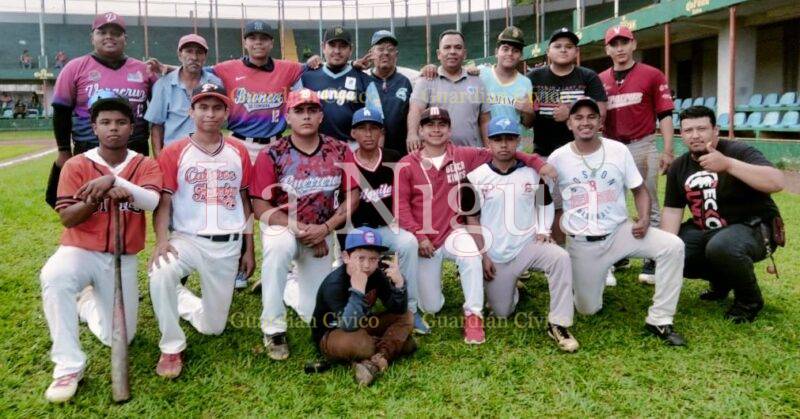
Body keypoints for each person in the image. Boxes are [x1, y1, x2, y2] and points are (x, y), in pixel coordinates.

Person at [39, 93, 162, 402]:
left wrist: (111, 181)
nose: (113, 129)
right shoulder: (78, 165)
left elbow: (151, 201)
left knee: (119, 337)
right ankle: (68, 366)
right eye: (105, 122)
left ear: (131, 127)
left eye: (121, 122)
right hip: (80, 250)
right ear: (93, 127)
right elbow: (68, 218)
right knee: (55, 276)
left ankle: (86, 304)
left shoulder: (144, 164)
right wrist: (95, 198)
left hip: (123, 256)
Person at [397, 106, 552, 344]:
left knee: (471, 253)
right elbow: (401, 207)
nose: (436, 130)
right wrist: (419, 237)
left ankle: (474, 315)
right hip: (424, 241)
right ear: (420, 130)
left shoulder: (464, 155)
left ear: (450, 130)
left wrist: (536, 162)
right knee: (432, 305)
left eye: (442, 125)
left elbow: (505, 152)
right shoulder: (407, 163)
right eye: (430, 125)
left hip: (453, 231)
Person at [547, 97, 687, 346]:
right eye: (578, 117)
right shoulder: (558, 157)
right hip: (583, 243)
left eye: (591, 117)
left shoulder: (618, 150)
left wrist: (644, 218)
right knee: (587, 309)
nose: (585, 122)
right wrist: (542, 228)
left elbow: (639, 189)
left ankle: (660, 319)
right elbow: (542, 194)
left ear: (600, 122)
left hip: (621, 233)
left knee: (673, 246)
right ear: (569, 124)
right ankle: (594, 278)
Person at [148, 83, 255, 379]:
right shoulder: (173, 152)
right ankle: (171, 345)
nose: (210, 113)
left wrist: (249, 248)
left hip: (227, 244)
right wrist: (160, 242)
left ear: (226, 112)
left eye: (217, 107)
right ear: (191, 111)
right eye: (203, 107)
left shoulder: (239, 151)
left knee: (213, 327)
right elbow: (163, 203)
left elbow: (245, 201)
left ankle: (180, 297)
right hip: (187, 239)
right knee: (161, 271)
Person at [250, 89, 360, 360]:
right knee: (277, 248)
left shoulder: (340, 149)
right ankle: (273, 329)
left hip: (320, 236)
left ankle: (284, 285)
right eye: (299, 110)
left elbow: (352, 196)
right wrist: (297, 228)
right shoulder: (272, 153)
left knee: (315, 313)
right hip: (284, 228)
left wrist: (326, 228)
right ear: (288, 117)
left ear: (321, 116)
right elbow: (259, 207)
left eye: (312, 110)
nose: (306, 115)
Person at [461, 115, 578, 352]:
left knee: (560, 257)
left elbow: (544, 205)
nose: (504, 145)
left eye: (510, 139)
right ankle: (512, 288)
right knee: (502, 312)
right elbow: (472, 219)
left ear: (519, 141)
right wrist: (483, 255)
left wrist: (544, 229)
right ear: (489, 143)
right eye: (497, 139)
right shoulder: (475, 178)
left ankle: (559, 323)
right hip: (496, 255)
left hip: (527, 246)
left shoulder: (532, 174)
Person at [661, 106, 785, 323]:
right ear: (682, 134)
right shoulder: (679, 166)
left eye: (702, 128)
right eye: (689, 130)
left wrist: (728, 165)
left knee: (723, 246)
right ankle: (722, 281)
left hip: (754, 228)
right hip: (707, 230)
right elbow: (672, 211)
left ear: (715, 130)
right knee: (677, 251)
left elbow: (776, 182)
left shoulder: (738, 151)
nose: (695, 135)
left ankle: (749, 301)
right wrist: (664, 247)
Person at [47, 12, 157, 208]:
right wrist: (64, 151)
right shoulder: (75, 68)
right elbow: (61, 112)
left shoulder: (143, 70)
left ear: (125, 38)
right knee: (88, 203)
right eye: (102, 32)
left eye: (116, 32)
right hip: (89, 147)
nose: (109, 36)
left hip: (135, 147)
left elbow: (158, 113)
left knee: (131, 207)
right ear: (92, 37)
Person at [600, 25, 676, 284]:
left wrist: (667, 149)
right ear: (607, 49)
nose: (620, 48)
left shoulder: (652, 74)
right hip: (611, 147)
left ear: (634, 44)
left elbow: (665, 113)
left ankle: (652, 257)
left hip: (643, 144)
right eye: (614, 44)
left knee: (649, 200)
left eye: (625, 42)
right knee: (611, 202)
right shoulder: (600, 79)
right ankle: (618, 253)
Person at [340, 107, 426, 334]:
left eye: (373, 128)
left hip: (387, 227)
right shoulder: (346, 163)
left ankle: (410, 309)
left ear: (381, 132)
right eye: (362, 129)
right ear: (353, 133)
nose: (368, 134)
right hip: (357, 232)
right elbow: (343, 207)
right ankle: (358, 304)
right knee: (346, 267)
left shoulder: (394, 157)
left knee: (408, 243)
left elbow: (409, 193)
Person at [527, 27, 608, 250]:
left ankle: (593, 251)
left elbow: (600, 112)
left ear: (576, 51)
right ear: (548, 51)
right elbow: (527, 120)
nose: (563, 50)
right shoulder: (534, 77)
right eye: (558, 46)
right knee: (546, 204)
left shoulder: (587, 76)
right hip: (544, 151)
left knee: (583, 201)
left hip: (580, 153)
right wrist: (526, 111)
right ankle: (556, 252)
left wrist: (570, 113)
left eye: (569, 46)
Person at [312, 227, 415, 386]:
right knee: (366, 345)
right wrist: (358, 290)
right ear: (346, 257)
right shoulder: (334, 284)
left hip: (364, 324)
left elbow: (398, 310)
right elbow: (348, 324)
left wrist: (399, 284)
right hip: (333, 333)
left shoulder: (376, 275)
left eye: (373, 259)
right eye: (361, 258)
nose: (367, 265)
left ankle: (372, 363)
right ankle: (389, 348)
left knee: (407, 316)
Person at [408, 30, 490, 150]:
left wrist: (489, 149)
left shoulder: (477, 82)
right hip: (436, 155)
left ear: (464, 53)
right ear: (438, 54)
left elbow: (485, 120)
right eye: (447, 47)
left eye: (458, 47)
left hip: (472, 155)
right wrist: (412, 134)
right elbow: (416, 110)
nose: (452, 51)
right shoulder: (426, 80)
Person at [145, 34, 222, 157]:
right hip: (174, 155)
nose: (194, 57)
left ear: (205, 57)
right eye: (189, 51)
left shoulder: (215, 83)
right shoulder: (163, 84)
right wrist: (159, 160)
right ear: (180, 55)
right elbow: (156, 126)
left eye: (199, 52)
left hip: (207, 154)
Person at [299, 26, 370, 146]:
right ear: (323, 47)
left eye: (342, 46)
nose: (337, 51)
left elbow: (374, 120)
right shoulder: (307, 77)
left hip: (352, 147)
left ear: (350, 49)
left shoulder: (364, 79)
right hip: (314, 146)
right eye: (332, 45)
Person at [362, 30, 414, 155]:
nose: (385, 53)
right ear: (371, 53)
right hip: (370, 153)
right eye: (380, 49)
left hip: (402, 153)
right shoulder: (363, 81)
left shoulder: (407, 81)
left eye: (390, 49)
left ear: (396, 54)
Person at [479, 27, 535, 128]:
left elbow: (528, 124)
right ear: (496, 52)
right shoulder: (481, 74)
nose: (510, 54)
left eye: (515, 51)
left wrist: (529, 112)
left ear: (521, 55)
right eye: (505, 49)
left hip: (514, 141)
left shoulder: (525, 82)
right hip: (485, 141)